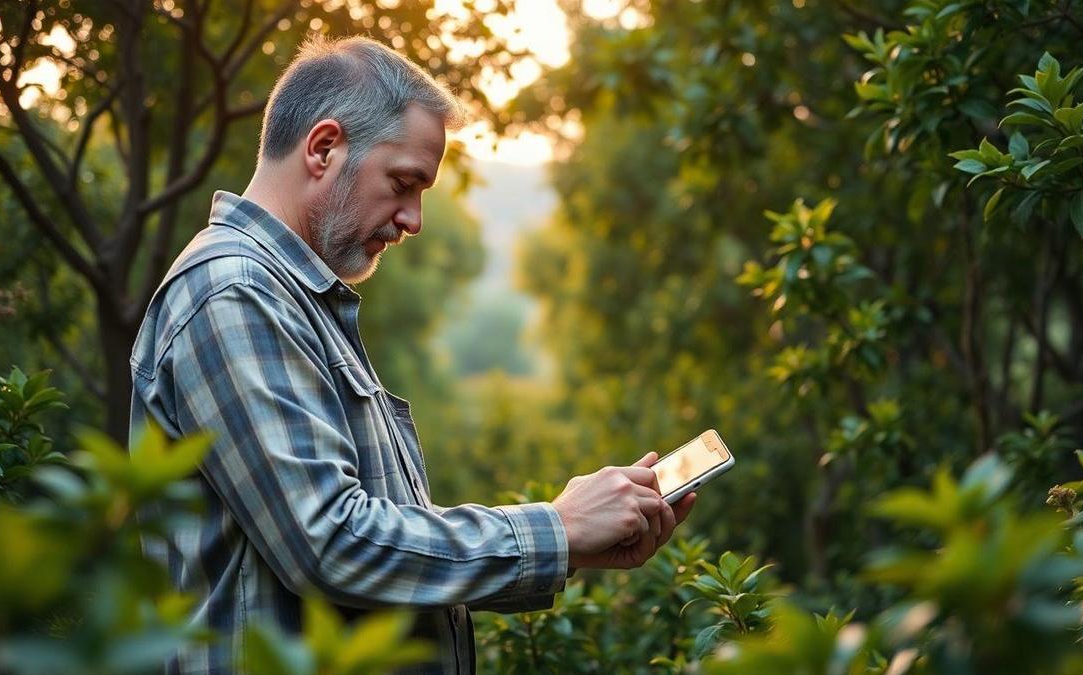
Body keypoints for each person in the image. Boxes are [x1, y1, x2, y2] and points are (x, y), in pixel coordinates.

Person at [128, 35, 695, 674]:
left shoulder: (293, 299)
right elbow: (330, 543)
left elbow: (371, 560)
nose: (414, 219)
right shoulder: (232, 293)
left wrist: (579, 543)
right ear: (323, 148)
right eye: (403, 183)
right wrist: (554, 528)